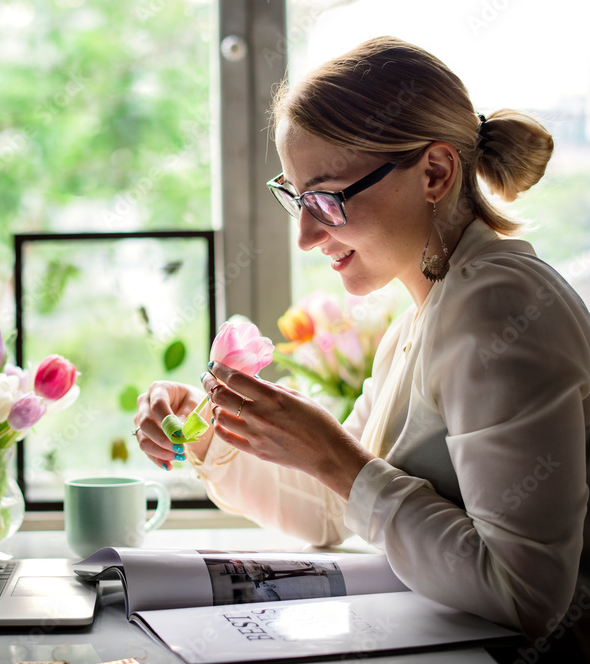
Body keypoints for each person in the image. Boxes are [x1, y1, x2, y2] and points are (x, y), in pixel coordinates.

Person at [133, 36, 590, 659]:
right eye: (296, 198)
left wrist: (334, 457)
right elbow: (334, 509)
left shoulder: (497, 307)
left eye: (325, 198)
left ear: (434, 173)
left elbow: (528, 598)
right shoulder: (421, 319)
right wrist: (213, 437)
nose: (305, 235)